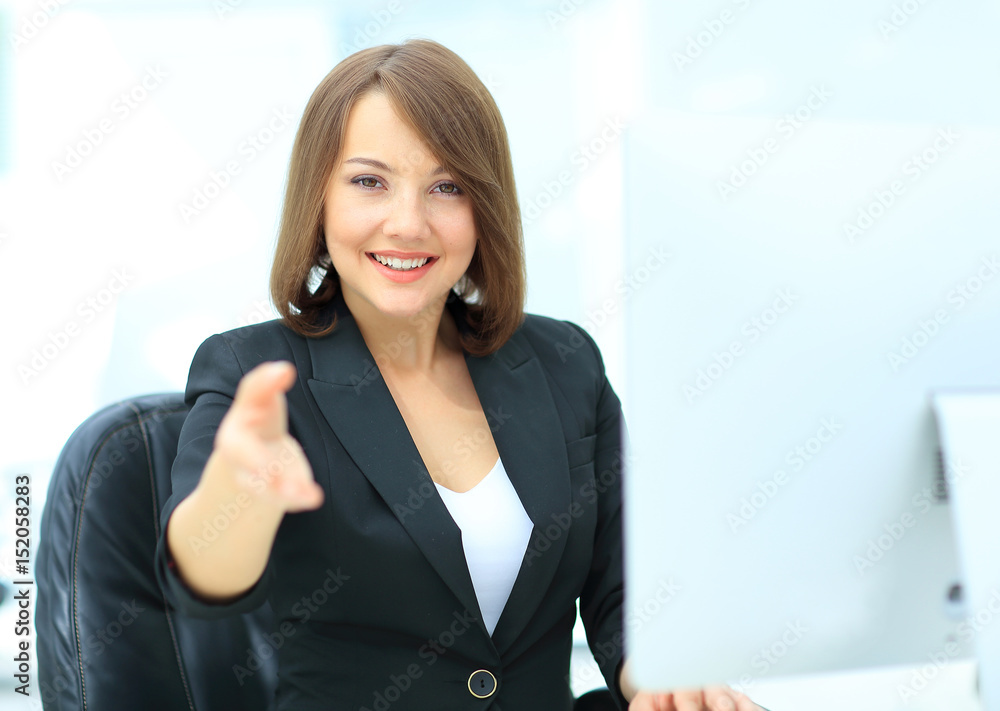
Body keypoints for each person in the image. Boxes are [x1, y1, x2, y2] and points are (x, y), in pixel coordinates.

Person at [155, 38, 762, 711]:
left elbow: (628, 589)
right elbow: (204, 577)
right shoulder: (253, 370)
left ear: (484, 208)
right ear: (317, 202)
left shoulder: (564, 362)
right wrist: (240, 494)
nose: (408, 222)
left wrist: (662, 676)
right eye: (369, 181)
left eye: (447, 186)